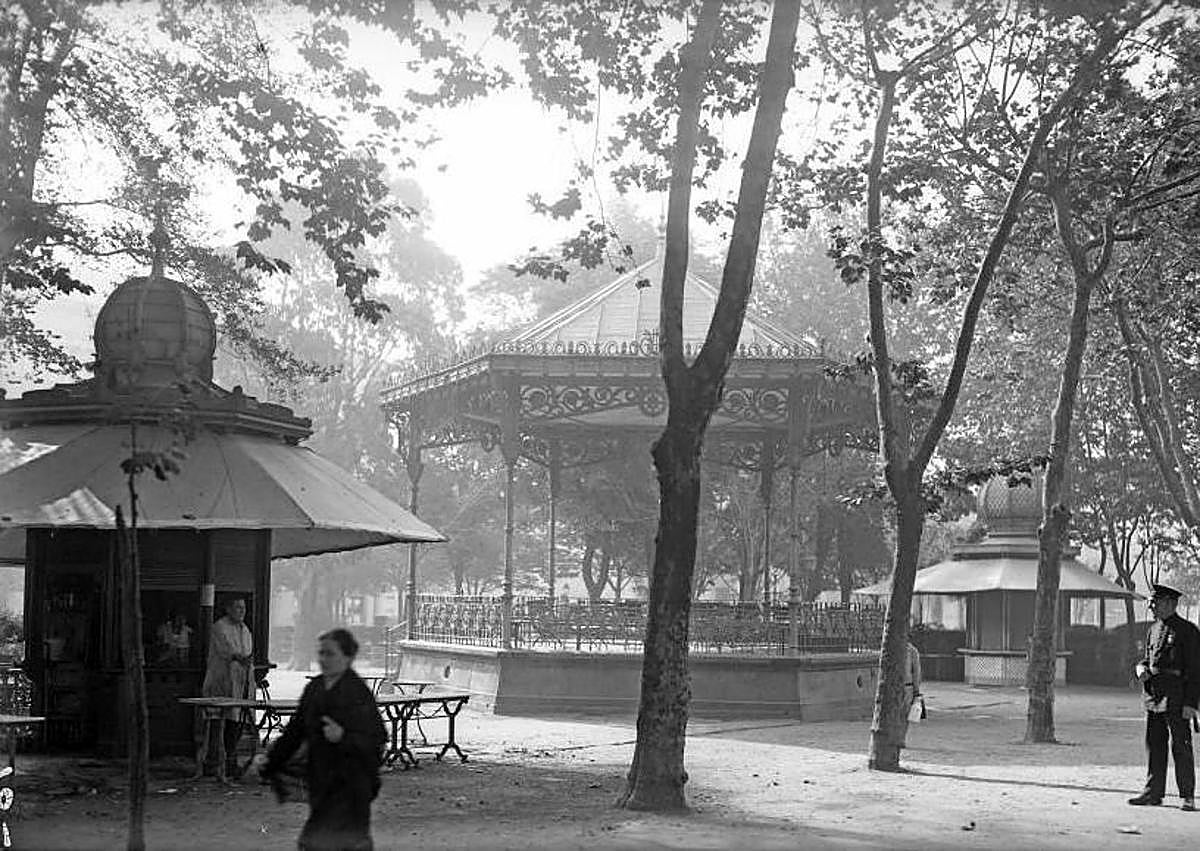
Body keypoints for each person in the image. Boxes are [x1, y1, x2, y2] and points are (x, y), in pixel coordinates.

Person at [259, 628, 387, 851]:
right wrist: (271, 762)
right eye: (321, 653)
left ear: (348, 657)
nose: (324, 660)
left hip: (352, 784)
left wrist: (343, 737)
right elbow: (295, 732)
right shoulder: (315, 688)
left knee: (324, 843)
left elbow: (376, 740)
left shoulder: (357, 692)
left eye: (330, 654)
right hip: (322, 780)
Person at [1129, 583, 1200, 811]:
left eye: (1156, 603)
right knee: (1155, 744)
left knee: (1181, 745)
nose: (1152, 607)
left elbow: (1196, 670)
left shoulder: (1188, 631)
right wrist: (1141, 669)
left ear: (1170, 603)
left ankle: (1187, 795)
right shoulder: (1153, 629)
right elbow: (1147, 659)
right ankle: (1153, 793)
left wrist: (1191, 703)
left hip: (1177, 696)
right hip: (1154, 695)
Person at [199, 598, 254, 779]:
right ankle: (213, 764)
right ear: (228, 609)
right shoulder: (219, 627)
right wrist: (240, 658)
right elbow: (228, 652)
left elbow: (247, 654)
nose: (241, 611)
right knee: (216, 724)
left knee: (235, 724)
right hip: (221, 682)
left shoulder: (245, 630)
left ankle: (230, 762)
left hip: (240, 683)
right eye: (237, 607)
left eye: (243, 608)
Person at [899, 638, 923, 749]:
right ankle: (898, 738)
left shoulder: (911, 651)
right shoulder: (910, 650)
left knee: (904, 714)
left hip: (906, 686)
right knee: (899, 713)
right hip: (901, 686)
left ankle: (901, 738)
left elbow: (916, 671)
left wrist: (916, 690)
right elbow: (916, 671)